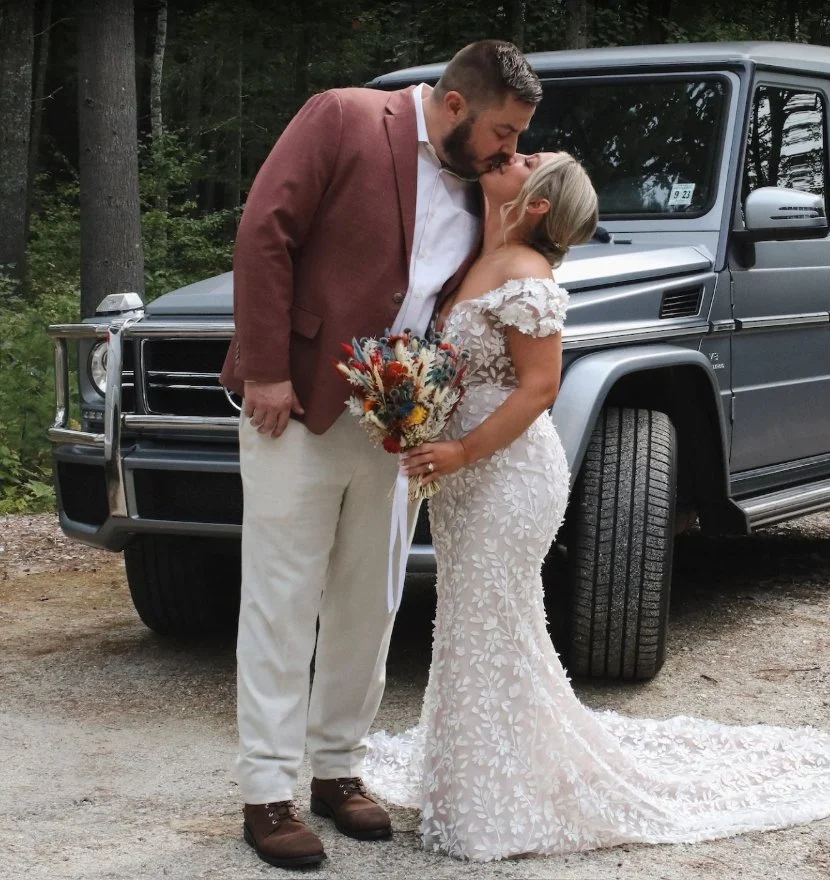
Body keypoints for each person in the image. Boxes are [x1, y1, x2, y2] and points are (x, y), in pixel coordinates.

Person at [362, 151, 830, 861]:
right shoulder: (472, 259)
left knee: (487, 616)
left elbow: (538, 389)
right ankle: (473, 777)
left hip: (506, 475)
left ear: (537, 202)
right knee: (474, 621)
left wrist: (460, 451)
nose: (515, 154)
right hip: (462, 478)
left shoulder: (528, 277)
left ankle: (490, 802)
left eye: (529, 158)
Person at [219, 41, 542, 869]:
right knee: (283, 597)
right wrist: (263, 369)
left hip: (397, 421)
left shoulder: (485, 180)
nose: (511, 152)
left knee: (373, 599)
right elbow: (265, 232)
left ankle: (339, 771)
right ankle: (266, 792)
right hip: (292, 406)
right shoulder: (345, 115)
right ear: (457, 105)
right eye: (504, 132)